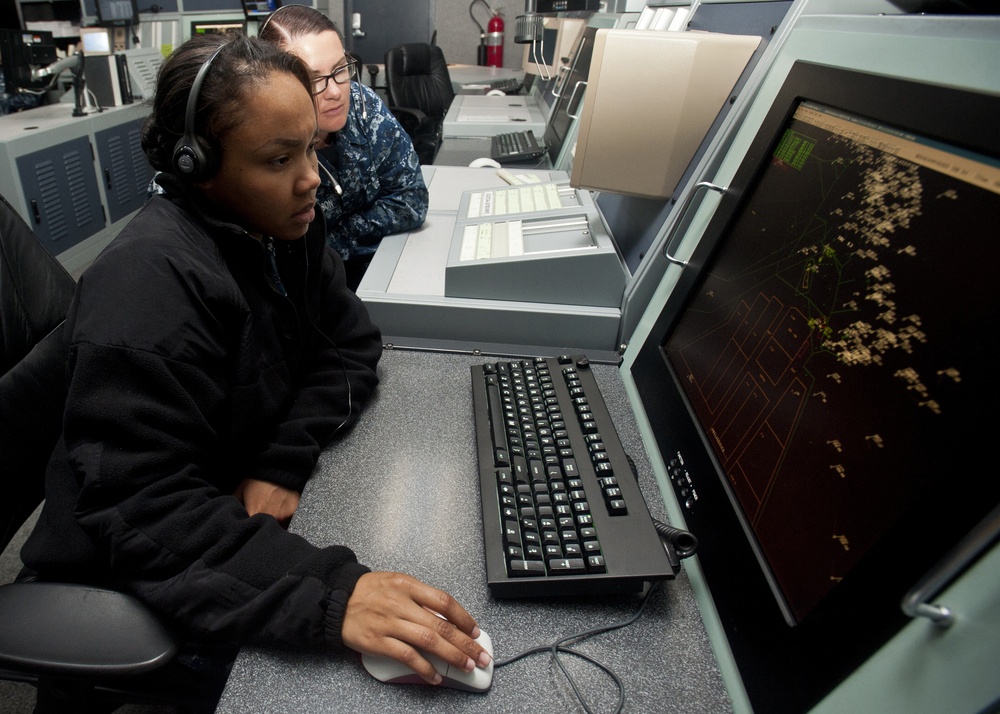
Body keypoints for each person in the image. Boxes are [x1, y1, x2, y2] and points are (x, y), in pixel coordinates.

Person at [20, 32, 490, 693]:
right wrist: (336, 597)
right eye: (278, 159)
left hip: (224, 510)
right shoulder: (148, 289)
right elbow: (145, 515)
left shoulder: (283, 228)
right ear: (199, 165)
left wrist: (281, 458)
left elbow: (348, 342)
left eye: (311, 149)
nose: (311, 180)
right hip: (128, 570)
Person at [259, 5, 429, 291]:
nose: (336, 91)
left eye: (340, 70)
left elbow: (412, 200)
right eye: (314, 78)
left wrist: (335, 239)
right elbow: (276, 259)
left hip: (371, 277)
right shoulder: (259, 144)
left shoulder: (364, 106)